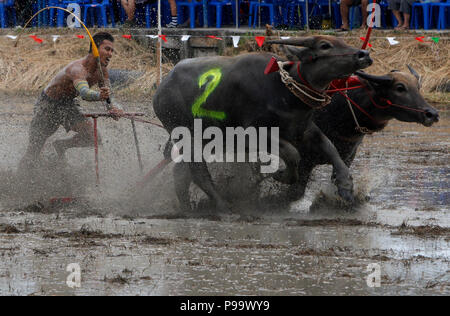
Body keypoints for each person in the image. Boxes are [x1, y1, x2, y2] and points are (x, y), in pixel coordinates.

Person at [18, 32, 123, 172]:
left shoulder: (102, 71)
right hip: (48, 104)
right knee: (34, 149)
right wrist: (99, 95)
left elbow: (110, 96)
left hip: (68, 104)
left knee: (93, 138)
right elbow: (85, 93)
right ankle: (21, 178)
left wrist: (114, 107)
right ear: (95, 49)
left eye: (112, 51)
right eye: (107, 49)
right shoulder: (77, 69)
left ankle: (61, 145)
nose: (110, 54)